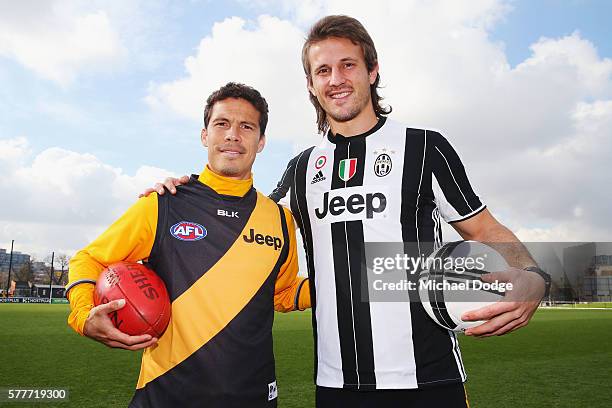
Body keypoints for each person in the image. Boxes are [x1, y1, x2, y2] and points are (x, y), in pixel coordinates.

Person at [146, 16, 551, 408]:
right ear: (311, 84)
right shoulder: (302, 169)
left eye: (347, 65)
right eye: (323, 70)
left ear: (372, 71)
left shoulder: (426, 148)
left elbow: (482, 226)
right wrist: (182, 193)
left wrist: (533, 276)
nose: (335, 79)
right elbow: (237, 218)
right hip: (336, 383)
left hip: (428, 376)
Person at [66, 82, 310, 408]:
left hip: (254, 396)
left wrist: (340, 285)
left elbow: (282, 292)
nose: (232, 135)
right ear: (204, 135)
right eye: (221, 124)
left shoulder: (280, 218)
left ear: (261, 141)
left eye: (246, 126)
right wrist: (84, 315)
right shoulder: (164, 203)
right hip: (166, 395)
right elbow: (89, 258)